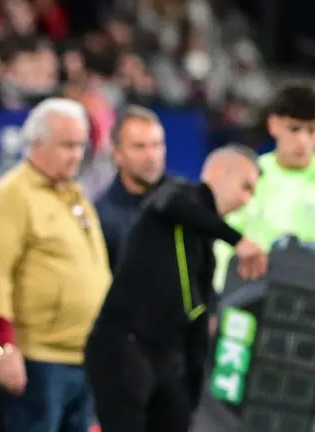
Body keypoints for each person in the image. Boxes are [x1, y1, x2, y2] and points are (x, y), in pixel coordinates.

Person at [85, 145, 268, 432]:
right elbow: (175, 206)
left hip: (165, 356)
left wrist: (194, 393)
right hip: (124, 343)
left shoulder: (205, 249)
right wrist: (237, 240)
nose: (247, 200)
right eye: (246, 187)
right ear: (218, 172)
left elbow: (199, 317)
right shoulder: (178, 194)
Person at [0, 98, 111, 432]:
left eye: (81, 145)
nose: (77, 155)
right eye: (67, 145)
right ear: (36, 143)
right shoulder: (12, 194)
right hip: (37, 359)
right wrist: (5, 348)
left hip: (83, 357)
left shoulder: (74, 193)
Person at [214, 83, 315, 292]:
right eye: (294, 129)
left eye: (312, 131)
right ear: (274, 125)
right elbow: (224, 241)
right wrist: (218, 294)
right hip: (253, 294)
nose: (303, 141)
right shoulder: (251, 176)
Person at [96, 105, 167, 270]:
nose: (151, 156)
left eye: (156, 145)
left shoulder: (184, 200)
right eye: (139, 147)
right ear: (117, 154)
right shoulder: (102, 218)